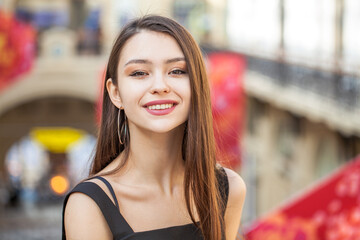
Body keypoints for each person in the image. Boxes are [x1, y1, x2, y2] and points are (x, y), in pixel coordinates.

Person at [62, 15, 246, 240]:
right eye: (139, 73)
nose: (160, 86)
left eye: (177, 71)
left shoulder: (229, 189)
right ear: (115, 93)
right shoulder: (89, 206)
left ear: (197, 85)